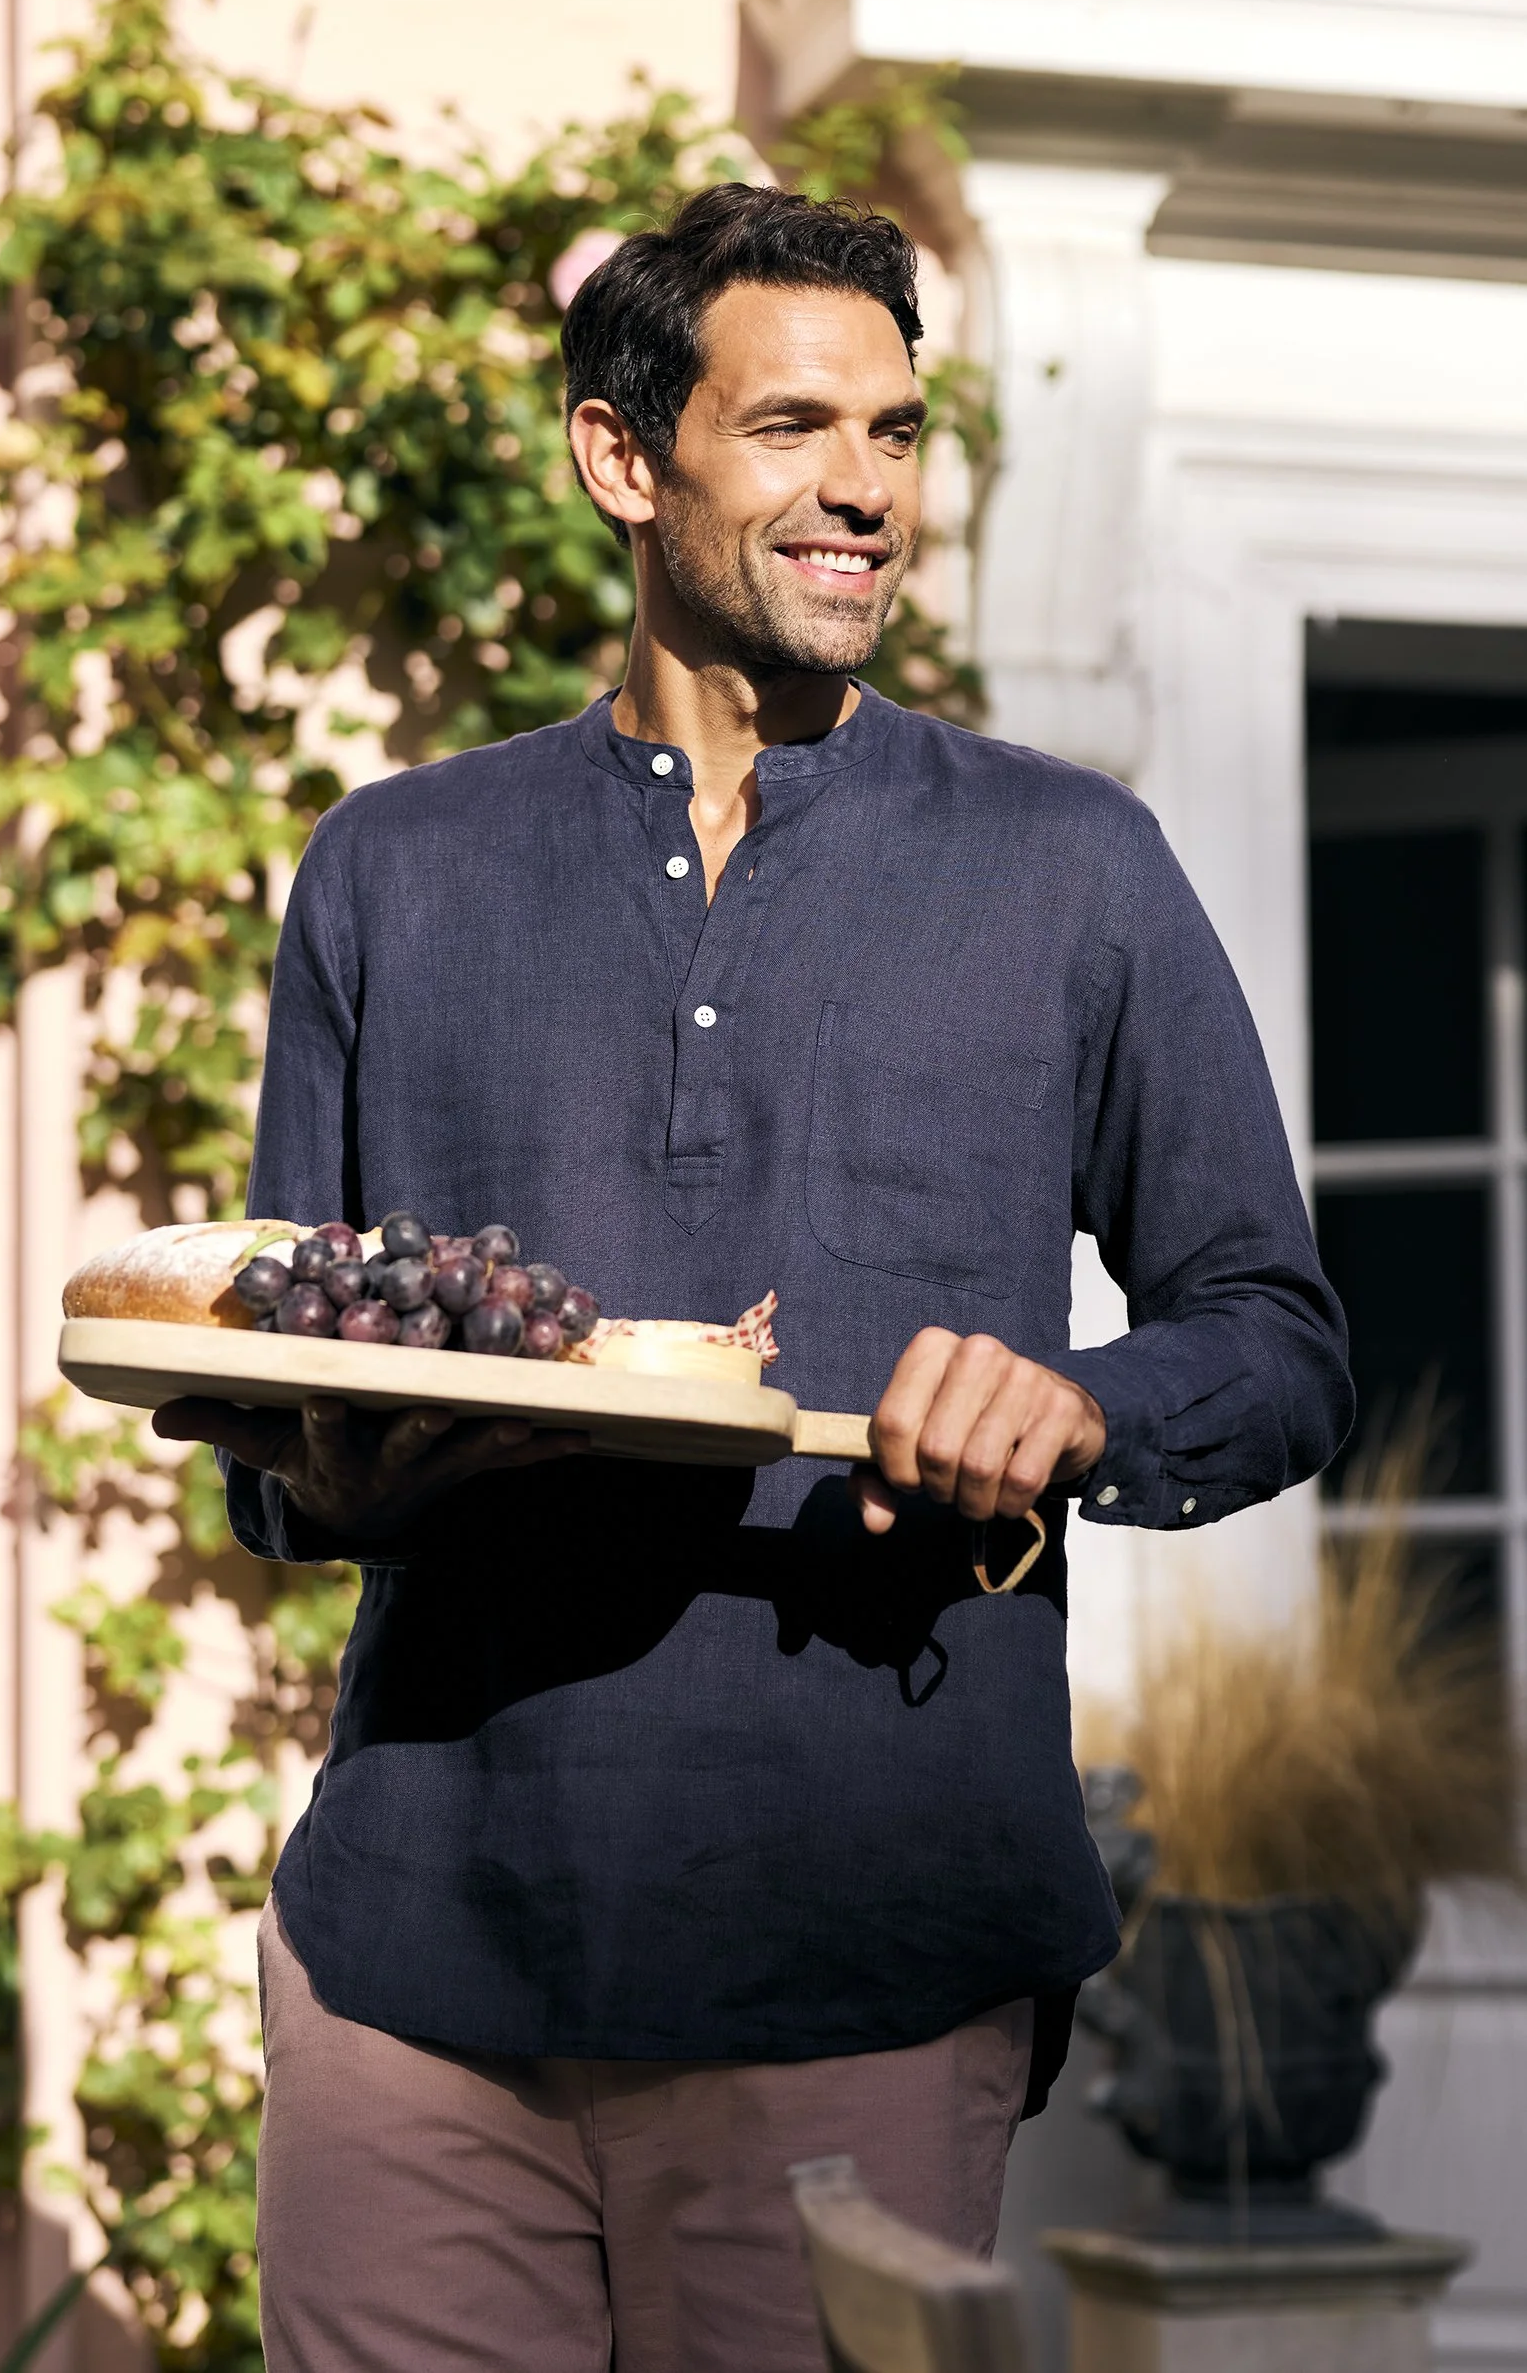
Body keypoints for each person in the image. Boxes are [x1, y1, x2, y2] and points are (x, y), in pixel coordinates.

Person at [157, 183, 1352, 2373]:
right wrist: (334, 1454)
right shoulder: (392, 870)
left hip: (865, 1957)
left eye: (892, 432)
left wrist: (1081, 1406)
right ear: (622, 456)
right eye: (793, 426)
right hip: (419, 1961)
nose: (864, 488)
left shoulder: (1070, 865)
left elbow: (1274, 1341)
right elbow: (279, 1410)